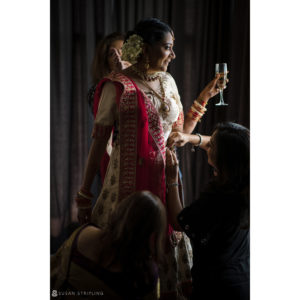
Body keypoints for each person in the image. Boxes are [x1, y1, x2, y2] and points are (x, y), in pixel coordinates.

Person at [76, 18, 221, 299]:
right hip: (125, 187)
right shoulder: (116, 86)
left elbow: (178, 135)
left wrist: (204, 96)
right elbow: (98, 142)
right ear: (144, 48)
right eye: (167, 47)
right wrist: (84, 194)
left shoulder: (168, 81)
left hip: (165, 182)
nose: (173, 55)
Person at [166, 122, 250, 300]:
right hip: (244, 281)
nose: (207, 145)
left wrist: (172, 180)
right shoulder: (245, 186)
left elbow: (177, 221)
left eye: (211, 145)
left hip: (217, 288)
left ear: (223, 157)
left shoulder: (218, 199)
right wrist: (189, 138)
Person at [51, 191, 166, 300]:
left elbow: (54, 271)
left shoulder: (83, 234)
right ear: (153, 236)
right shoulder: (145, 277)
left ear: (120, 211)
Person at [87, 32, 131, 183]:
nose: (119, 57)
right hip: (114, 159)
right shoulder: (100, 89)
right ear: (106, 61)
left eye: (123, 51)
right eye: (113, 54)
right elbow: (104, 132)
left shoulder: (144, 83)